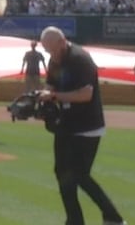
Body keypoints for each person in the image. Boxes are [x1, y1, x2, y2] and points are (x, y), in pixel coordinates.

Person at [38, 26, 126, 225]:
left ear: (62, 41)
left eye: (53, 49)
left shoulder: (80, 59)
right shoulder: (54, 60)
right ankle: (74, 220)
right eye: (47, 50)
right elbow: (51, 84)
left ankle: (113, 217)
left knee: (79, 174)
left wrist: (54, 96)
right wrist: (42, 96)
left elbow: (86, 94)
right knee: (62, 172)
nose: (52, 54)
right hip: (65, 124)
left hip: (87, 126)